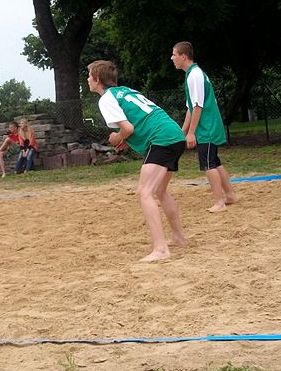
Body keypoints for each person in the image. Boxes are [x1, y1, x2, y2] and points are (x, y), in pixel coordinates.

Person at [87, 59, 187, 262]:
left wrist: (118, 136)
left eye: (89, 76)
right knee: (159, 191)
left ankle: (160, 249)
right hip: (174, 135)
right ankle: (178, 238)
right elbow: (139, 120)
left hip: (162, 139)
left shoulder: (106, 99)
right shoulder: (125, 91)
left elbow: (128, 128)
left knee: (144, 193)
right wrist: (125, 136)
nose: (87, 79)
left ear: (97, 79)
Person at [170, 41, 238, 213]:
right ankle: (230, 195)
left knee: (208, 164)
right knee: (214, 161)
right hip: (207, 125)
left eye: (174, 54)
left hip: (206, 127)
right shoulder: (192, 74)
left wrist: (191, 133)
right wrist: (183, 131)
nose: (172, 58)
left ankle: (219, 203)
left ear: (183, 56)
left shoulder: (195, 75)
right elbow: (190, 108)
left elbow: (198, 106)